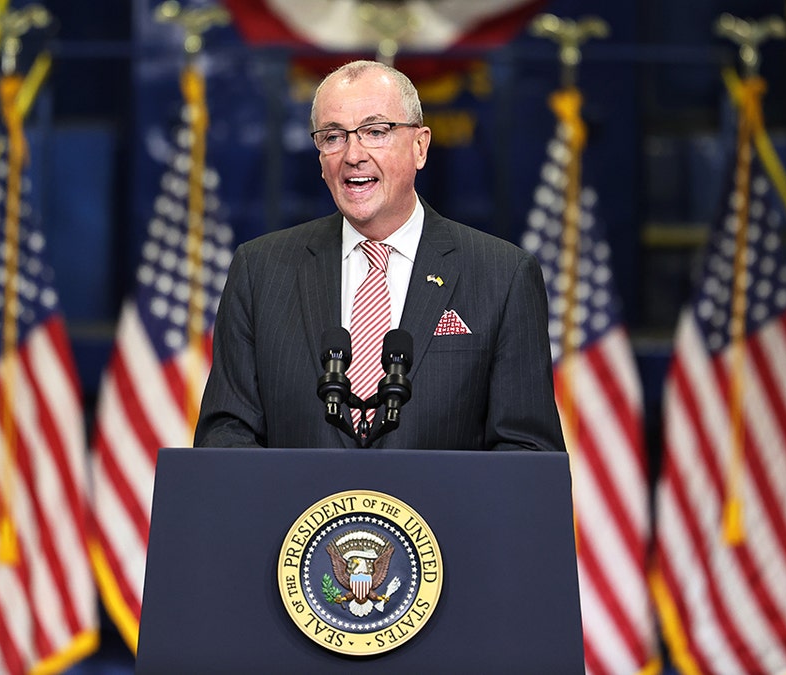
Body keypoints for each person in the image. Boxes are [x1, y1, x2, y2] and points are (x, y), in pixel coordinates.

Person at [193, 60, 564, 452]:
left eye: (375, 131)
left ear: (420, 146)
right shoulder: (260, 271)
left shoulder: (503, 276)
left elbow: (527, 453)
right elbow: (226, 436)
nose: (353, 154)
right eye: (333, 137)